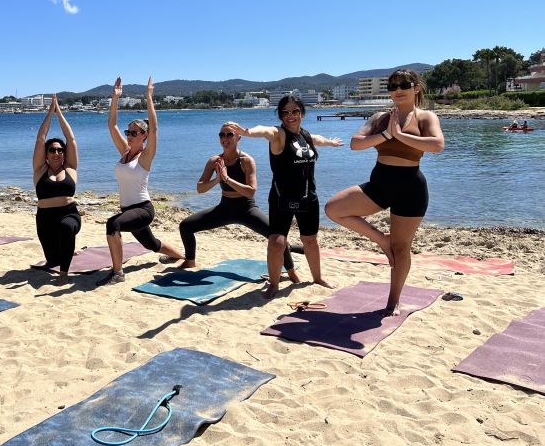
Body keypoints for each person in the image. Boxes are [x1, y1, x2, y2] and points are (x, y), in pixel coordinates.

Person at [325, 69, 444, 316]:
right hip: (379, 186)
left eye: (404, 84)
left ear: (416, 88)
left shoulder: (425, 117)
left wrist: (400, 135)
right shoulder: (380, 117)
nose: (398, 89)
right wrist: (387, 134)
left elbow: (437, 145)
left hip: (411, 189)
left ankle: (393, 301)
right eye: (392, 86)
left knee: (402, 248)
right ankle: (382, 240)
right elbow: (356, 143)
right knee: (333, 209)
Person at [226, 96, 342, 299]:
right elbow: (264, 130)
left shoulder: (305, 135)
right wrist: (246, 132)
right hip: (282, 197)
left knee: (311, 240)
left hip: (308, 196)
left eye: (295, 111)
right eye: (285, 112)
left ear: (302, 113)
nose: (291, 116)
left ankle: (318, 278)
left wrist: (331, 143)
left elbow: (317, 139)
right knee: (277, 242)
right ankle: (273, 283)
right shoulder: (278, 135)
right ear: (280, 115)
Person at [173, 122, 300, 281]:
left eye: (229, 134)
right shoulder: (215, 161)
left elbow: (251, 191)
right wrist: (217, 179)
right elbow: (200, 188)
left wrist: (227, 179)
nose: (225, 138)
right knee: (185, 226)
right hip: (224, 208)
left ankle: (291, 272)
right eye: (222, 135)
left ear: (239, 137)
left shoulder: (246, 161)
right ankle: (190, 260)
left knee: (277, 236)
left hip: (247, 209)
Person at [99, 76, 184, 285]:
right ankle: (181, 257)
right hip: (128, 210)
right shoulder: (125, 152)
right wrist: (115, 98)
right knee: (151, 244)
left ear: (144, 136)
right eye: (128, 132)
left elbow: (155, 128)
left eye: (134, 133)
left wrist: (149, 97)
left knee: (113, 224)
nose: (129, 135)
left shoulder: (145, 157)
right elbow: (111, 125)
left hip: (143, 210)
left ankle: (118, 273)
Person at [32, 95, 81, 285]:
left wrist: (59, 112)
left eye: (60, 150)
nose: (57, 152)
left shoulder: (70, 168)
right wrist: (49, 113)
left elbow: (71, 138)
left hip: (69, 214)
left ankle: (64, 274)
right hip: (45, 219)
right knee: (53, 259)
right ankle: (62, 257)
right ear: (46, 153)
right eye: (52, 149)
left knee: (66, 228)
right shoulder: (40, 170)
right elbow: (40, 138)